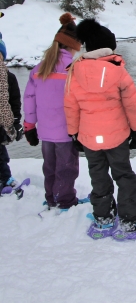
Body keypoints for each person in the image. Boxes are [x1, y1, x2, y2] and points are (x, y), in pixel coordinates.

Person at [64, 18, 136, 233]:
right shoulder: (117, 70)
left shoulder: (74, 71)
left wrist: (74, 134)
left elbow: (70, 106)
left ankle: (103, 216)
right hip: (117, 136)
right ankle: (129, 217)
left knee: (98, 175)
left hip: (90, 137)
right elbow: (133, 104)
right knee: (124, 175)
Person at [23, 13, 84, 210]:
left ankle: (51, 197)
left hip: (46, 131)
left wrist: (29, 126)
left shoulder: (40, 68)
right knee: (67, 168)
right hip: (67, 130)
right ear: (73, 46)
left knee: (50, 166)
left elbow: (29, 99)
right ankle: (64, 200)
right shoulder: (74, 68)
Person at [0, 34, 23, 192]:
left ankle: (6, 179)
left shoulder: (9, 77)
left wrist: (15, 122)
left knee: (1, 155)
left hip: (2, 124)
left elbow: (15, 102)